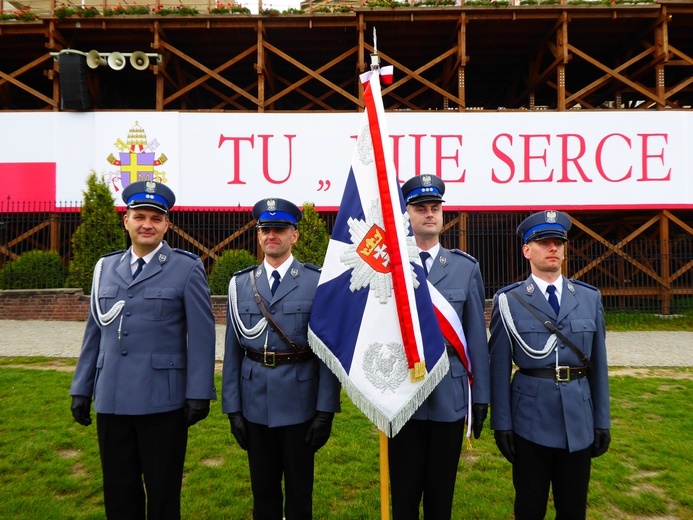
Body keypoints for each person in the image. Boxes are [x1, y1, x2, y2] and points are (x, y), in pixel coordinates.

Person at [69, 180, 217, 520]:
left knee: (163, 493)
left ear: (167, 224)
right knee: (118, 492)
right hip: (112, 399)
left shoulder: (186, 267)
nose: (147, 224)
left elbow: (202, 334)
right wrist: (81, 387)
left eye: (155, 217)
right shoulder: (105, 268)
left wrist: (198, 392)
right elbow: (95, 330)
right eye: (139, 216)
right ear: (127, 221)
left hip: (161, 401)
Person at [223, 197, 341, 520]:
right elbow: (232, 352)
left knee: (300, 496)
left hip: (300, 405)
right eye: (265, 229)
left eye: (280, 228)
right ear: (258, 235)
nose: (271, 235)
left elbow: (327, 352)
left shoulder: (316, 283)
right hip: (254, 405)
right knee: (263, 495)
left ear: (295, 235)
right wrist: (232, 408)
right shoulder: (240, 285)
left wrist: (325, 410)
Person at [489, 210, 611, 520]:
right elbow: (499, 367)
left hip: (578, 419)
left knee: (573, 508)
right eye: (544, 242)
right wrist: (501, 423)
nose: (553, 248)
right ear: (527, 250)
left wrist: (602, 419)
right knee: (530, 506)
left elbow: (599, 365)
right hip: (530, 419)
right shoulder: (510, 300)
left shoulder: (588, 298)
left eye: (558, 241)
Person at [388, 175, 491, 519]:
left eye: (435, 207)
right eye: (420, 208)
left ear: (442, 215)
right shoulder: (391, 267)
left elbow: (476, 338)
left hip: (449, 396)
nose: (429, 213)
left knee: (440, 498)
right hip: (402, 394)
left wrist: (480, 399)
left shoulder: (465, 268)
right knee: (403, 498)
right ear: (408, 214)